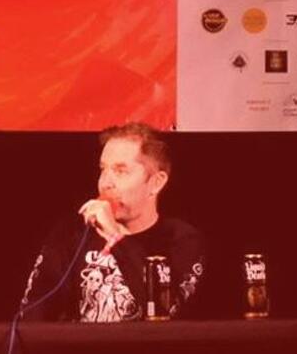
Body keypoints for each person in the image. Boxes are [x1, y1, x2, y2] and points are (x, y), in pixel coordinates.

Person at [19, 122, 205, 322]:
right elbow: (31, 317)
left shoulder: (182, 240)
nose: (105, 183)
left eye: (120, 171)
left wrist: (115, 237)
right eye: (103, 170)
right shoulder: (71, 234)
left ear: (156, 182)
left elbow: (167, 316)